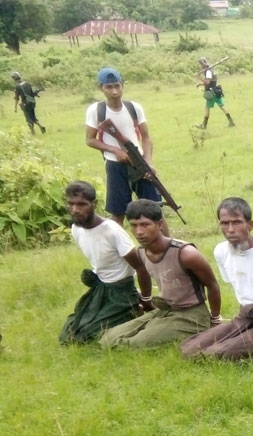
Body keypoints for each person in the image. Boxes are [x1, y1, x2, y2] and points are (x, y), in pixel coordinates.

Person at [180, 197, 253, 360]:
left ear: (250, 225)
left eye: (237, 222)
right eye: (225, 223)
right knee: (189, 348)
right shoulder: (221, 251)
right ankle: (244, 333)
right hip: (245, 315)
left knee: (215, 354)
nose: (230, 229)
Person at [100, 199, 222, 349]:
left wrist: (215, 320)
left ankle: (192, 329)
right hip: (165, 309)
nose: (139, 232)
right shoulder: (142, 252)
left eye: (145, 225)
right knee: (108, 338)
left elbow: (212, 285)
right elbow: (142, 273)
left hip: (191, 314)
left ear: (159, 225)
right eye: (134, 225)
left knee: (133, 344)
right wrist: (146, 300)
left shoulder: (185, 253)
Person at [60, 180, 153, 344]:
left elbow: (140, 267)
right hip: (101, 288)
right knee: (69, 331)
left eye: (82, 204)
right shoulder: (76, 228)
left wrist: (146, 300)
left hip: (122, 292)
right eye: (71, 204)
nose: (75, 210)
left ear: (94, 204)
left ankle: (133, 310)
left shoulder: (112, 231)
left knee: (86, 335)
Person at [84, 67, 161, 227]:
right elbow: (90, 140)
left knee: (154, 210)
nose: (114, 91)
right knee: (118, 213)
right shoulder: (97, 110)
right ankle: (116, 250)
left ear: (122, 85)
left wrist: (148, 163)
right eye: (109, 87)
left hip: (139, 162)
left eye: (117, 86)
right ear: (101, 88)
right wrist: (115, 150)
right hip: (115, 165)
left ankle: (167, 247)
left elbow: (146, 138)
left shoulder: (134, 107)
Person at [195, 56, 235, 129]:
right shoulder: (210, 70)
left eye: (201, 64)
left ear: (204, 64)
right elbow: (210, 82)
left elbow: (207, 82)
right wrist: (200, 84)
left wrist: (199, 77)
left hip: (211, 93)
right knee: (222, 106)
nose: (201, 66)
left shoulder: (208, 72)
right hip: (215, 91)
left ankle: (204, 125)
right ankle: (231, 122)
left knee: (208, 108)